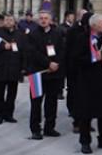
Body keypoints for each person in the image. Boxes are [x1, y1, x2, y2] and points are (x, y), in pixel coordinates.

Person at [71, 13, 102, 153]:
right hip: (87, 81)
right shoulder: (82, 38)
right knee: (86, 115)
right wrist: (92, 58)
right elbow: (75, 59)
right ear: (94, 25)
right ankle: (85, 141)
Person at [25, 9, 65, 140]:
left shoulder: (58, 33)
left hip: (53, 74)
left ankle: (50, 127)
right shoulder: (32, 34)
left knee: (52, 102)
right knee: (36, 103)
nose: (43, 20)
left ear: (51, 20)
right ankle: (35, 129)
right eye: (41, 18)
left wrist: (57, 63)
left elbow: (62, 50)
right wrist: (48, 63)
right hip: (37, 74)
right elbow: (33, 52)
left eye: (46, 18)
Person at [0, 14, 22, 124]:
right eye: (6, 20)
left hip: (14, 68)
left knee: (12, 94)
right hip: (1, 67)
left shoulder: (19, 34)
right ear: (3, 22)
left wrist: (22, 68)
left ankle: (9, 114)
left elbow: (22, 50)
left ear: (14, 22)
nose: (8, 22)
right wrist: (3, 47)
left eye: (11, 20)